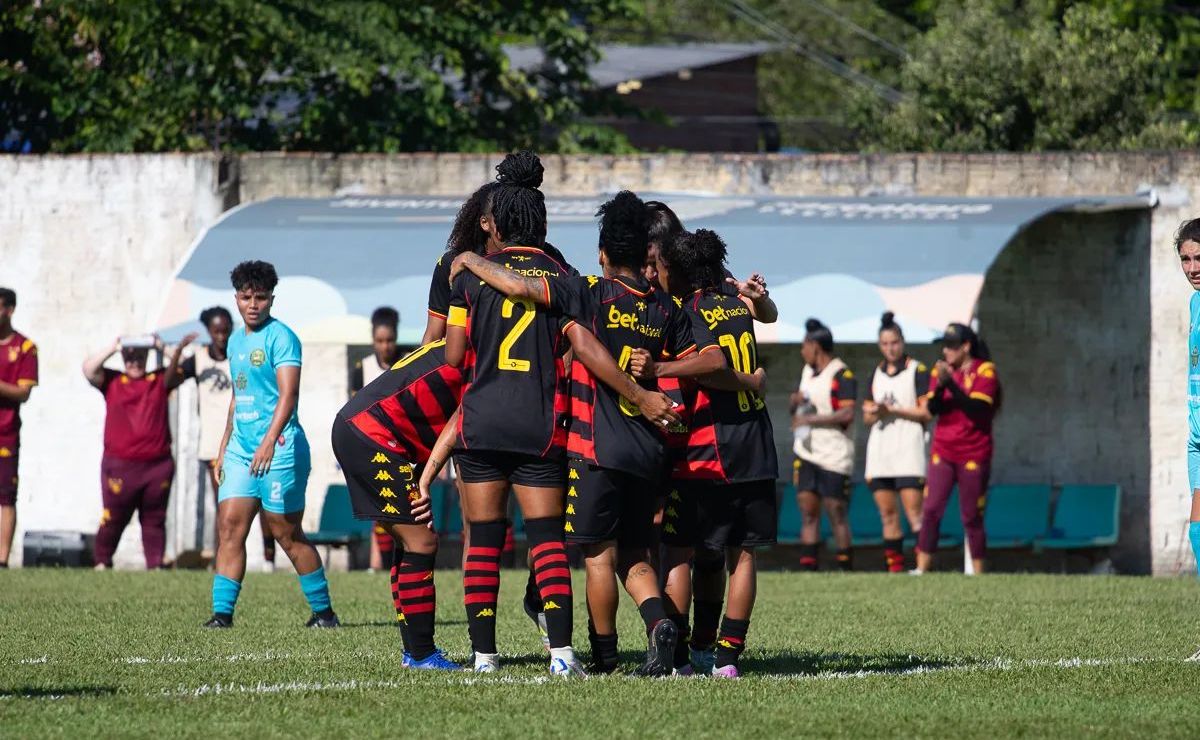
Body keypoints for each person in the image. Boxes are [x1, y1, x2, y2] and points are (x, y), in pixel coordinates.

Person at [451, 190, 712, 676]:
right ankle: (658, 623)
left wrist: (469, 259)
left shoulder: (588, 292)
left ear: (603, 254)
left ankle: (604, 658)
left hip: (596, 449)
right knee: (636, 555)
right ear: (647, 259)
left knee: (596, 556)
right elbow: (696, 367)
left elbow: (524, 289)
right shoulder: (665, 309)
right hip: (650, 450)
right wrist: (656, 377)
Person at [646, 229, 778, 679]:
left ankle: (680, 658)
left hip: (709, 448)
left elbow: (713, 368)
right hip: (756, 443)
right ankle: (726, 659)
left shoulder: (690, 311)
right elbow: (770, 315)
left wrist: (660, 369)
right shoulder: (737, 305)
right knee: (742, 555)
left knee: (677, 551)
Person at [205, 260, 338, 629]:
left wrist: (266, 445)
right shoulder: (234, 341)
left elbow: (288, 395)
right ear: (236, 298)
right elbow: (238, 394)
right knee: (230, 528)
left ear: (271, 300)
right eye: (246, 297)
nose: (253, 304)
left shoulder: (282, 338)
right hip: (241, 451)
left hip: (279, 450)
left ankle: (324, 614)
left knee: (285, 533)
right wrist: (223, 447)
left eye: (260, 297)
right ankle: (221, 615)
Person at [333, 338, 463, 670]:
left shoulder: (455, 339)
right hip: (372, 433)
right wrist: (427, 477)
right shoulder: (484, 350)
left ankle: (414, 652)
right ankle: (421, 654)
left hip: (363, 427)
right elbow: (457, 422)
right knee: (422, 541)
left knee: (410, 541)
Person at [179, 306, 280, 569]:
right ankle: (221, 560)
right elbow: (167, 382)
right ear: (209, 332)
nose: (222, 336)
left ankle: (269, 558)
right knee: (226, 507)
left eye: (226, 330)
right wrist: (178, 350)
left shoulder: (242, 353)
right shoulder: (200, 360)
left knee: (265, 505)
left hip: (252, 440)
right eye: (216, 331)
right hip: (215, 447)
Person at [84, 333, 194, 569]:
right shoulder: (112, 381)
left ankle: (154, 565)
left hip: (157, 465)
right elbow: (88, 369)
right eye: (130, 357)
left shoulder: (160, 380)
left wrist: (160, 345)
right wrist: (113, 347)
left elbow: (189, 365)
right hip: (121, 464)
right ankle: (102, 561)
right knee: (113, 516)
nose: (135, 363)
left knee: (154, 519)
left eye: (140, 357)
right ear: (123, 358)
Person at [914, 322, 1001, 575]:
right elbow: (932, 410)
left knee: (971, 514)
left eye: (951, 347)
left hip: (974, 451)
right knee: (930, 509)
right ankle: (921, 569)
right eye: (944, 347)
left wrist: (950, 384)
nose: (946, 352)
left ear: (966, 346)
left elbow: (978, 408)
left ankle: (978, 571)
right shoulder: (940, 371)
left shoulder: (985, 370)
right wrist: (941, 385)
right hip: (944, 449)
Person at [862, 312, 929, 572]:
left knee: (915, 515)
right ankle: (896, 569)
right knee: (888, 515)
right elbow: (866, 416)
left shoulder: (917, 370)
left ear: (903, 342)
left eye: (895, 342)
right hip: (880, 453)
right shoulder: (876, 374)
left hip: (909, 452)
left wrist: (895, 410)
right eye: (885, 344)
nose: (891, 348)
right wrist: (876, 411)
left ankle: (923, 567)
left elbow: (925, 412)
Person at [791, 318, 858, 571]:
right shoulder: (807, 372)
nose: (801, 351)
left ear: (815, 346)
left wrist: (810, 418)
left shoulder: (842, 374)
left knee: (836, 510)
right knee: (808, 511)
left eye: (803, 346)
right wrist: (794, 401)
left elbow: (847, 414)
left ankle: (845, 567)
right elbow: (797, 408)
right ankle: (809, 569)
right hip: (807, 452)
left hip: (834, 455)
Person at [350, 306, 402, 573]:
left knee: (402, 509)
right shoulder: (363, 368)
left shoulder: (407, 363)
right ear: (373, 340)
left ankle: (398, 562)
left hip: (403, 447)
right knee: (380, 508)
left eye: (390, 340)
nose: (385, 346)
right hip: (372, 445)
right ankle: (380, 564)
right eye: (380, 341)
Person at [0, 288, 38, 568]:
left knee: (5, 498)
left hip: (6, 433)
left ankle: (2, 560)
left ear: (9, 310)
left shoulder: (25, 348)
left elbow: (24, 393)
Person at [1180, 218, 1200, 662]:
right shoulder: (1196, 303)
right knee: (1197, 527)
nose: (1193, 267)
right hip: (1197, 431)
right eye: (1186, 258)